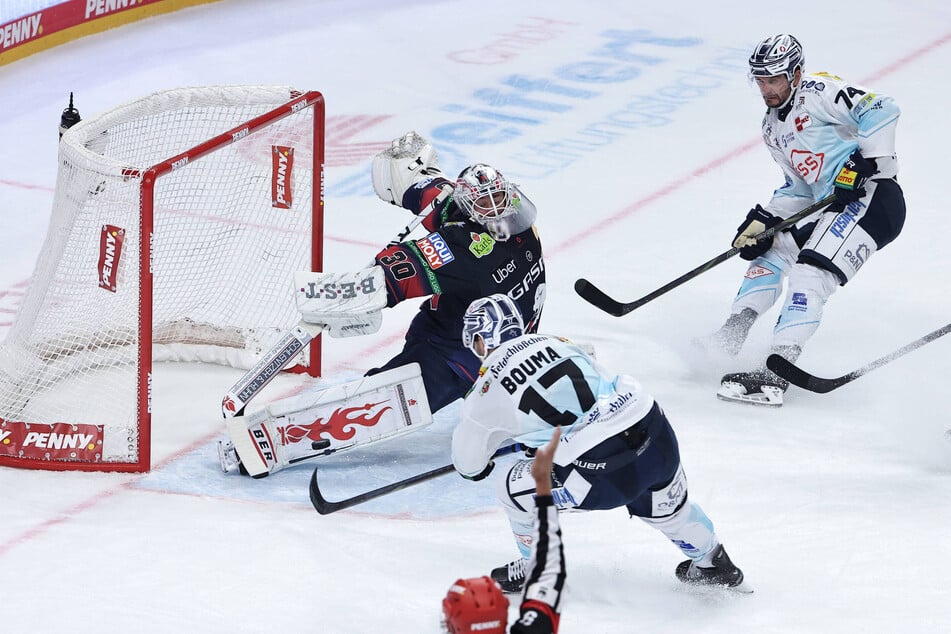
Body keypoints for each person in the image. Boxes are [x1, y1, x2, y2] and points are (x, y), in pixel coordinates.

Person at [451, 294, 750, 599]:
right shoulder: (556, 341)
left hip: (601, 472)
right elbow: (586, 393)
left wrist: (509, 451)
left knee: (510, 486)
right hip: (653, 429)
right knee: (670, 511)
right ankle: (713, 562)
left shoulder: (484, 389)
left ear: (480, 340)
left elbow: (469, 466)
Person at [706, 34, 906, 406]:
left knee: (810, 273)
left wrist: (862, 161)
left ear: (795, 73)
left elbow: (882, 107)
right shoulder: (772, 127)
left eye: (774, 79)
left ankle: (777, 370)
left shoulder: (817, 92)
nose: (766, 88)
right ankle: (732, 333)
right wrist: (767, 220)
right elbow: (800, 188)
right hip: (834, 206)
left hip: (873, 199)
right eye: (761, 80)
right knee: (774, 250)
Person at [368, 132, 546, 413]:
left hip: (483, 359)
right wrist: (358, 291)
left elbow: (440, 199)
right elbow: (401, 271)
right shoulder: (474, 242)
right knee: (382, 403)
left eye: (498, 197)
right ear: (468, 208)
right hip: (463, 354)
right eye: (484, 203)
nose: (495, 208)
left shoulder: (507, 230)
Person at [442, 429, 565, 634]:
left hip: (592, 477)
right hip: (621, 460)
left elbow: (470, 466)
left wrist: (541, 441)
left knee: (509, 484)